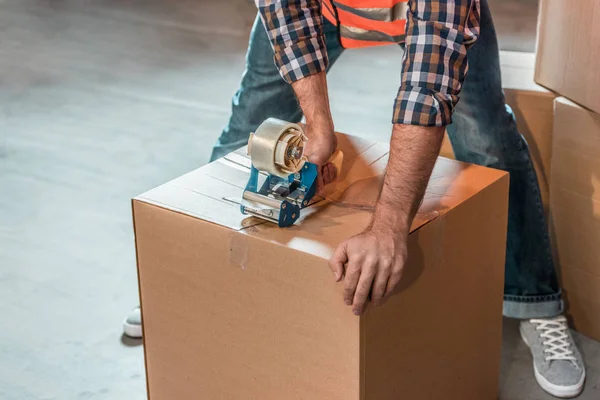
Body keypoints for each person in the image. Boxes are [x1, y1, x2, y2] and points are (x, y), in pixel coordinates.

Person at [124, 0, 586, 397]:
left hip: (428, 17)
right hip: (315, 9)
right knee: (252, 122)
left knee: (488, 139)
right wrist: (317, 124)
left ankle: (535, 299)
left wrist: (388, 227)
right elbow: (284, 9)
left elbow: (427, 85)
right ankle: (192, 278)